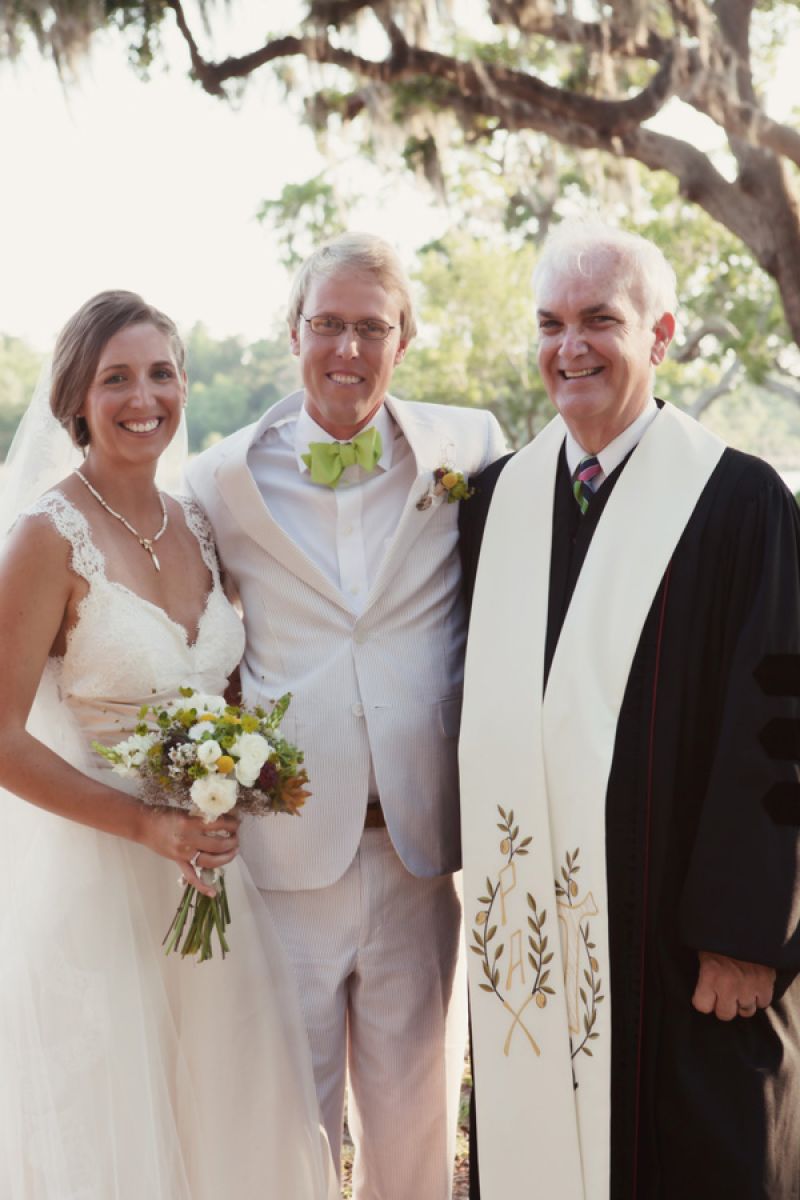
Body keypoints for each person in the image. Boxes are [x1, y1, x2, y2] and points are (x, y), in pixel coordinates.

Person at [459, 221, 800, 1199]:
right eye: (550, 323)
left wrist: (746, 930)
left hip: (684, 945)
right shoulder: (496, 504)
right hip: (538, 938)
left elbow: (778, 728)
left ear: (659, 336)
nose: (570, 347)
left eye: (598, 321)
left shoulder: (740, 504)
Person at [186, 232, 507, 1198]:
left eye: (373, 327)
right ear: (294, 333)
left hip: (420, 849)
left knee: (413, 1131)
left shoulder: (473, 446)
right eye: (329, 324)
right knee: (292, 1124)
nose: (349, 349)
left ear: (403, 340)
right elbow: (187, 637)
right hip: (286, 852)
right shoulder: (219, 478)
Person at [0, 291, 336, 1200]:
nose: (142, 397)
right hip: (97, 884)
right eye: (116, 378)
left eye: (160, 374)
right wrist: (146, 827)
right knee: (116, 1136)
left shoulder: (196, 523)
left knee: (224, 1122)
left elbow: (221, 693)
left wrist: (237, 775)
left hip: (209, 881)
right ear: (76, 398)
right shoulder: (44, 536)